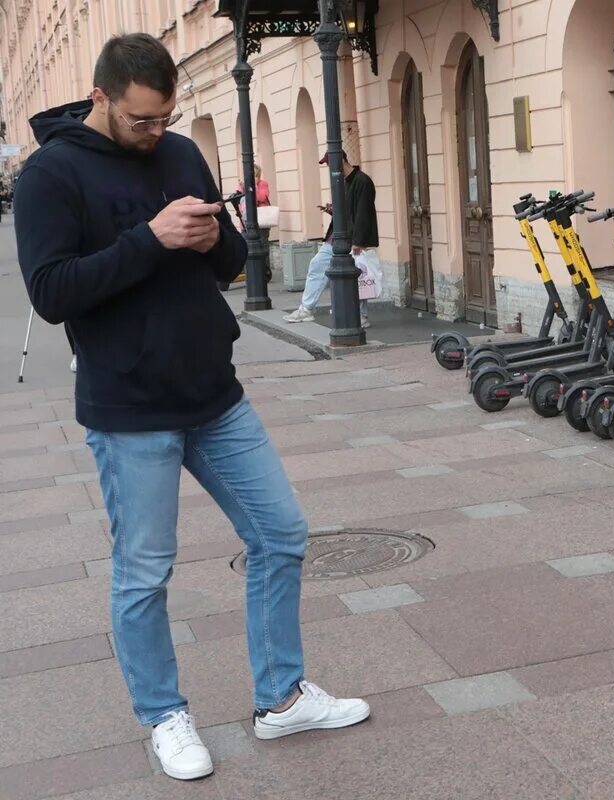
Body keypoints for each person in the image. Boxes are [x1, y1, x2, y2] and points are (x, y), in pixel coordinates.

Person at [13, 34, 369, 782]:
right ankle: (164, 717)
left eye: (164, 116)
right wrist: (150, 237)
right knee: (144, 573)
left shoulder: (178, 151)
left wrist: (213, 239)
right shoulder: (52, 174)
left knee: (281, 534)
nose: (155, 132)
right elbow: (51, 294)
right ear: (102, 99)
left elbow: (231, 261)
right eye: (142, 119)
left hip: (214, 394)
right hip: (128, 407)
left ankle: (281, 698)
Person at [282, 152, 377, 328]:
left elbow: (364, 213)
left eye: (330, 164)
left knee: (358, 276)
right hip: (337, 237)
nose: (328, 168)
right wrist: (333, 210)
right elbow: (350, 211)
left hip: (351, 238)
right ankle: (307, 308)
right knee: (317, 265)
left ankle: (361, 315)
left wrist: (359, 241)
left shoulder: (362, 181)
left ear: (341, 161)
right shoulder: (343, 182)